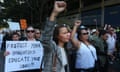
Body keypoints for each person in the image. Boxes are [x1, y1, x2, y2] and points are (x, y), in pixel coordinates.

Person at [41, 1, 70, 72]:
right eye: (64, 33)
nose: (68, 34)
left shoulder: (66, 48)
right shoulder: (51, 48)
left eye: (68, 32)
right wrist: (54, 13)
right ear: (57, 36)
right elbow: (46, 38)